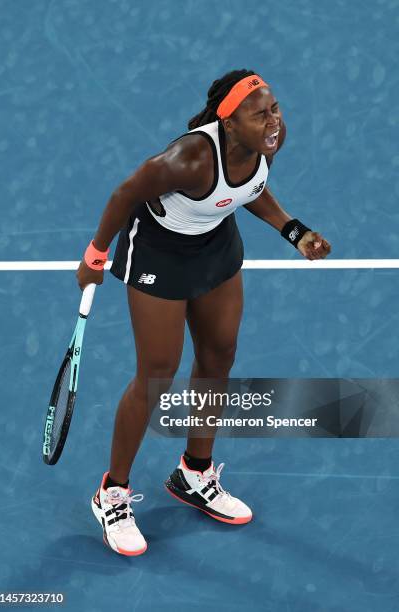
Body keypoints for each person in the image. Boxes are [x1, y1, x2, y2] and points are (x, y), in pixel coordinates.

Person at [77, 69, 331, 556]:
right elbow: (124, 194)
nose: (273, 120)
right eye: (259, 114)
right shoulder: (187, 158)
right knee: (156, 372)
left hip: (215, 249)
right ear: (228, 124)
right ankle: (111, 491)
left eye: (274, 108)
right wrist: (94, 256)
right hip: (158, 256)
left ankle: (194, 473)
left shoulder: (268, 143)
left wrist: (293, 231)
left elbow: (250, 189)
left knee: (218, 356)